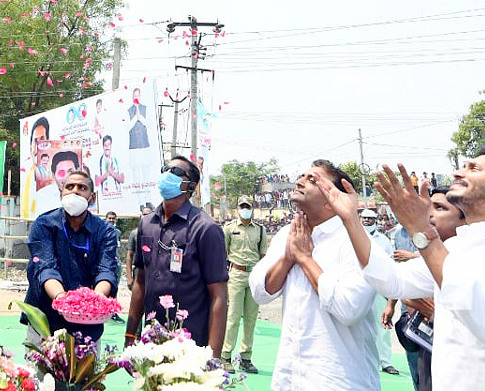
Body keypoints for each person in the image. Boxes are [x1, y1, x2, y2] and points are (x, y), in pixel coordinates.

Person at [325, 148, 485, 390]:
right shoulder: (456, 247)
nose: (457, 173)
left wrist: (423, 232)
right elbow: (392, 280)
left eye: (473, 168)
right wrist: (351, 221)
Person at [249, 160, 378, 390]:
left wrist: (306, 259)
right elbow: (260, 291)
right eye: (302, 176)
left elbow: (350, 308)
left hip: (338, 379)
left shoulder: (355, 241)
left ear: (333, 199)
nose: (299, 182)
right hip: (290, 377)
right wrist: (289, 257)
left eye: (312, 180)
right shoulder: (287, 234)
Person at [126, 156, 228, 356]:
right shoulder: (146, 224)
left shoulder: (205, 229)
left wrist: (213, 356)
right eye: (166, 169)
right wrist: (130, 336)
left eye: (176, 172)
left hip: (190, 344)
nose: (167, 175)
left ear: (190, 186)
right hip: (151, 341)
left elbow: (219, 295)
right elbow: (140, 281)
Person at [376, 186, 467, 391]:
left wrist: (435, 313)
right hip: (418, 334)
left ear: (464, 217)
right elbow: (396, 279)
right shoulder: (404, 236)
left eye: (439, 207)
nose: (430, 214)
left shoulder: (466, 254)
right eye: (428, 207)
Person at [23, 166, 120, 343]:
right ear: (61, 193)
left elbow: (106, 270)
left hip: (89, 321)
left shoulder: (106, 231)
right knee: (40, 370)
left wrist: (93, 303)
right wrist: (62, 300)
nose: (75, 191)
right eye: (69, 187)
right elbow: (45, 267)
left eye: (82, 188)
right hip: (46, 318)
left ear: (92, 197)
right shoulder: (43, 225)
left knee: (85, 371)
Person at [221, 195, 268, 374]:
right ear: (237, 208)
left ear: (252, 207)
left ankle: (245, 357)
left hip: (254, 274)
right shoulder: (229, 229)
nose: (245, 209)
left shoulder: (261, 230)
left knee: (251, 318)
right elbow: (223, 254)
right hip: (236, 273)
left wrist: (263, 277)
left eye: (248, 206)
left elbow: (263, 255)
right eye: (242, 206)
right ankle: (226, 355)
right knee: (232, 317)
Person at [360, 208, 399, 376]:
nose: (367, 221)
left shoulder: (383, 240)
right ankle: (363, 360)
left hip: (378, 288)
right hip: (359, 285)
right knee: (358, 326)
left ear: (376, 220)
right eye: (364, 218)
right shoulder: (352, 237)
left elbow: (391, 265)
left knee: (382, 326)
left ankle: (385, 361)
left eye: (370, 218)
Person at [35, 150, 80, 215]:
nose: (66, 177)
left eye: (70, 172)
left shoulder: (85, 193)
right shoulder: (42, 195)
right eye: (61, 172)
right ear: (53, 175)